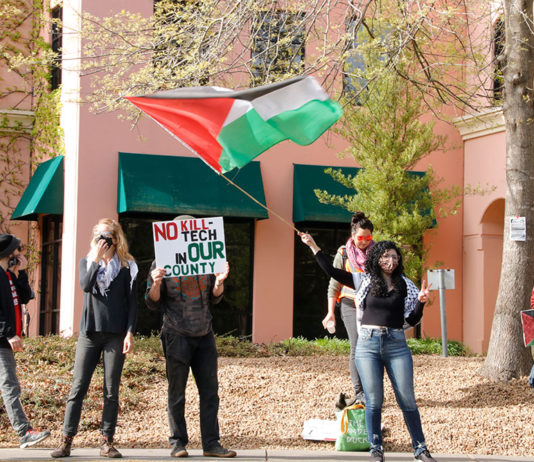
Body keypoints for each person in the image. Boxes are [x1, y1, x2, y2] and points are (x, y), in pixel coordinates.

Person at [300, 232, 436, 462]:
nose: (390, 261)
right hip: (368, 344)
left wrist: (421, 303)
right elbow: (332, 272)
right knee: (373, 400)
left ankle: (420, 449)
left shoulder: (406, 285)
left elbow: (411, 321)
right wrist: (313, 245)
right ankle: (376, 449)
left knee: (407, 399)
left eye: (394, 256)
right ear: (376, 258)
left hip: (396, 344)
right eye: (385, 256)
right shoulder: (364, 279)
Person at [145, 215, 235, 459]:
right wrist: (155, 283)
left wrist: (219, 282)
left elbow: (215, 297)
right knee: (177, 392)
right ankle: (177, 443)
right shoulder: (161, 262)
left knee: (210, 392)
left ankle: (211, 444)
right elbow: (152, 303)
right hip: (176, 335)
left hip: (204, 334)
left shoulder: (206, 259)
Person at [51, 219, 138, 459]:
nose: (103, 240)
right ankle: (66, 440)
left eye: (107, 236)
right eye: (99, 236)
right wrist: (97, 257)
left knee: (111, 391)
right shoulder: (87, 262)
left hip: (116, 335)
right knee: (78, 387)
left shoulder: (127, 267)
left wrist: (130, 332)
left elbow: (133, 304)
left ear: (116, 238)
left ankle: (106, 441)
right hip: (90, 333)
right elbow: (86, 285)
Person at [0, 233, 50, 448]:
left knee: (9, 385)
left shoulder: (8, 275)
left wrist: (19, 273)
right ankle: (24, 431)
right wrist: (9, 333)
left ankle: (24, 431)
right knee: (10, 385)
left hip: (5, 339)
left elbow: (26, 295)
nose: (20, 254)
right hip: (2, 339)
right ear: (7, 253)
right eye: (17, 251)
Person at [324, 212, 374, 405]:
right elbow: (334, 284)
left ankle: (372, 391)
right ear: (353, 236)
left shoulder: (378, 252)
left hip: (371, 305)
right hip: (349, 304)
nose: (364, 241)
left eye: (368, 238)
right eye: (360, 238)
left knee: (372, 347)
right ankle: (359, 392)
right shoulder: (344, 253)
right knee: (357, 344)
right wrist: (330, 312)